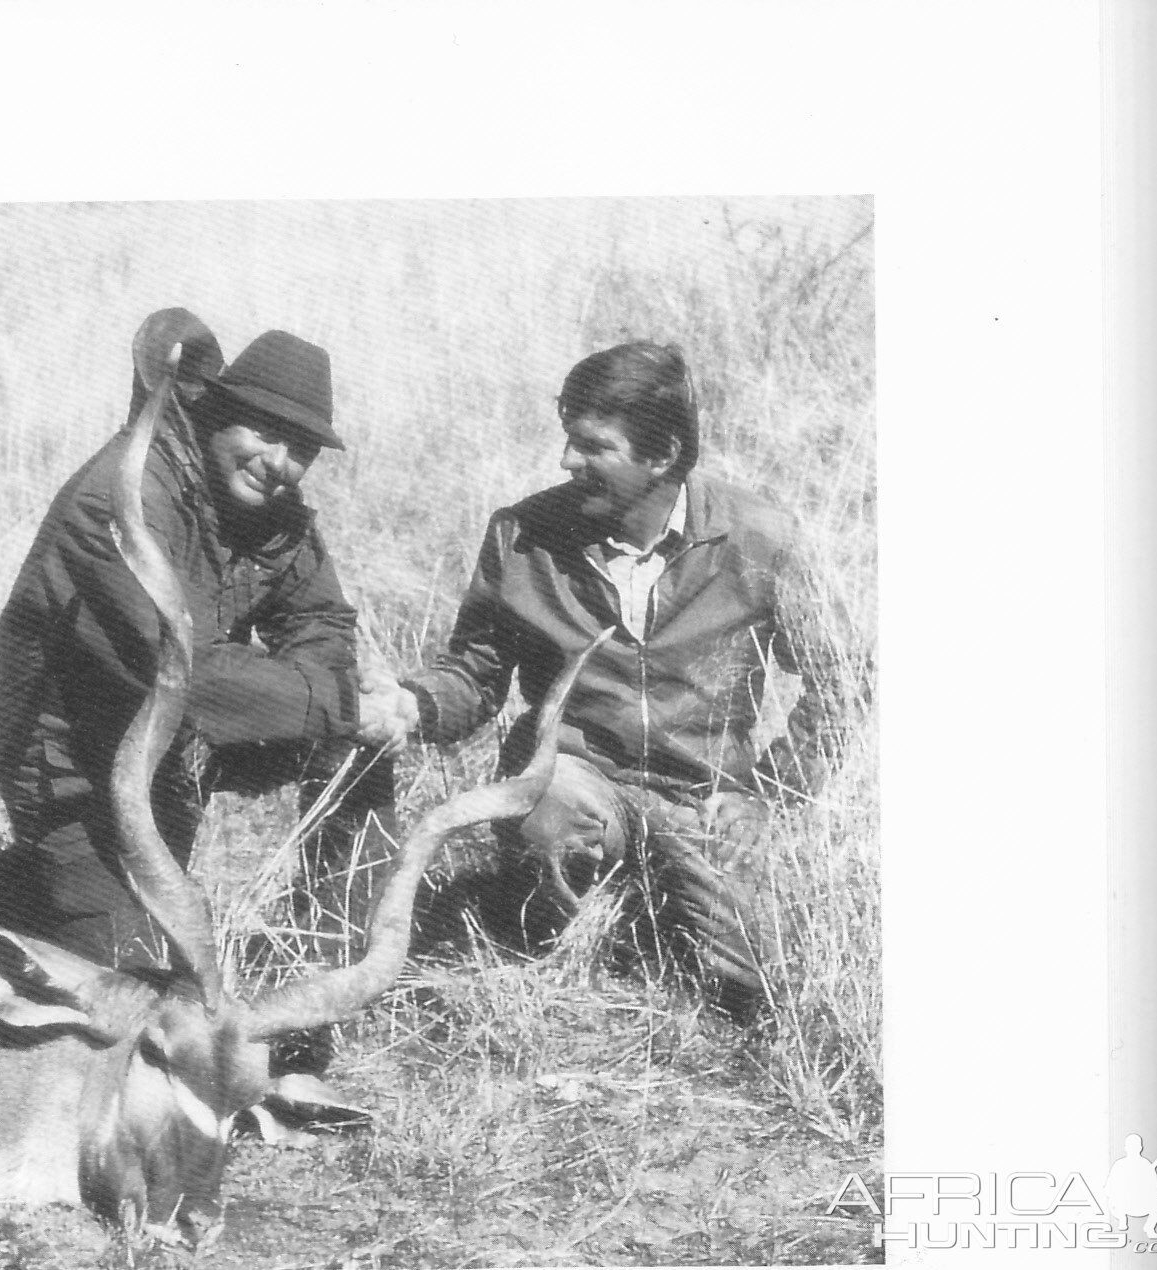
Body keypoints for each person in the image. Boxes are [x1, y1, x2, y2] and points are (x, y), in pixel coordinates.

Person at [361, 341, 850, 1020]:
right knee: (549, 806)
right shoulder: (522, 536)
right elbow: (475, 673)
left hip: (702, 799)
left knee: (751, 990)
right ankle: (557, 946)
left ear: (664, 455)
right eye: (568, 440)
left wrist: (769, 794)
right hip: (576, 775)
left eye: (594, 447)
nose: (567, 462)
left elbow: (843, 682)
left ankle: (649, 925)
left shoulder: (762, 537)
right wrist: (413, 706)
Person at [0, 309, 409, 977]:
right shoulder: (120, 499)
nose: (280, 463)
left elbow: (322, 620)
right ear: (215, 413)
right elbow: (179, 669)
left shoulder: (270, 506)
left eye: (301, 448)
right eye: (264, 432)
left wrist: (339, 704)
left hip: (172, 752)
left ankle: (322, 970)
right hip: (69, 771)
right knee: (141, 977)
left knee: (356, 746)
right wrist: (339, 702)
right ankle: (14, 892)